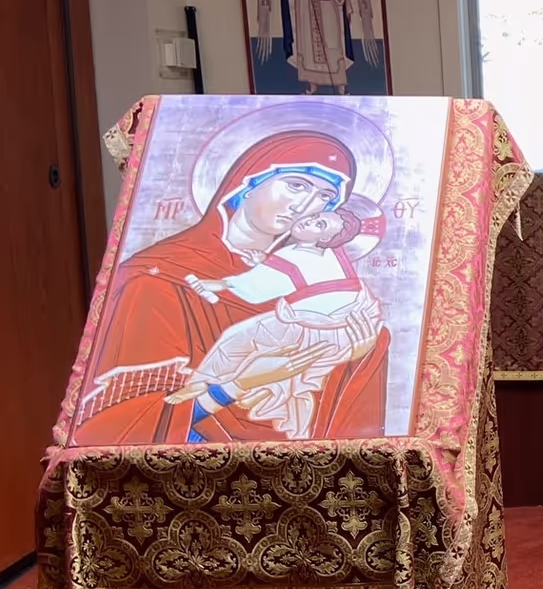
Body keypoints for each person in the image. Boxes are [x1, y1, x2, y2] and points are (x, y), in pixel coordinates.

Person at [73, 129, 388, 446]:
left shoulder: (307, 274)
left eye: (325, 198)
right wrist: (235, 386)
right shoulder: (156, 278)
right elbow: (124, 423)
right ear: (248, 182)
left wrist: (356, 355)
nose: (306, 205)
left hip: (302, 462)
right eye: (297, 185)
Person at [171, 208, 384, 439]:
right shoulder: (332, 254)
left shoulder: (294, 256)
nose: (308, 220)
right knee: (268, 362)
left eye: (319, 225)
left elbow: (256, 289)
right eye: (314, 216)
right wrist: (266, 263)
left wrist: (218, 284)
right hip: (342, 332)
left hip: (307, 331)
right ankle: (241, 392)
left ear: (325, 240)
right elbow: (301, 275)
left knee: (235, 340)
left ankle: (201, 384)